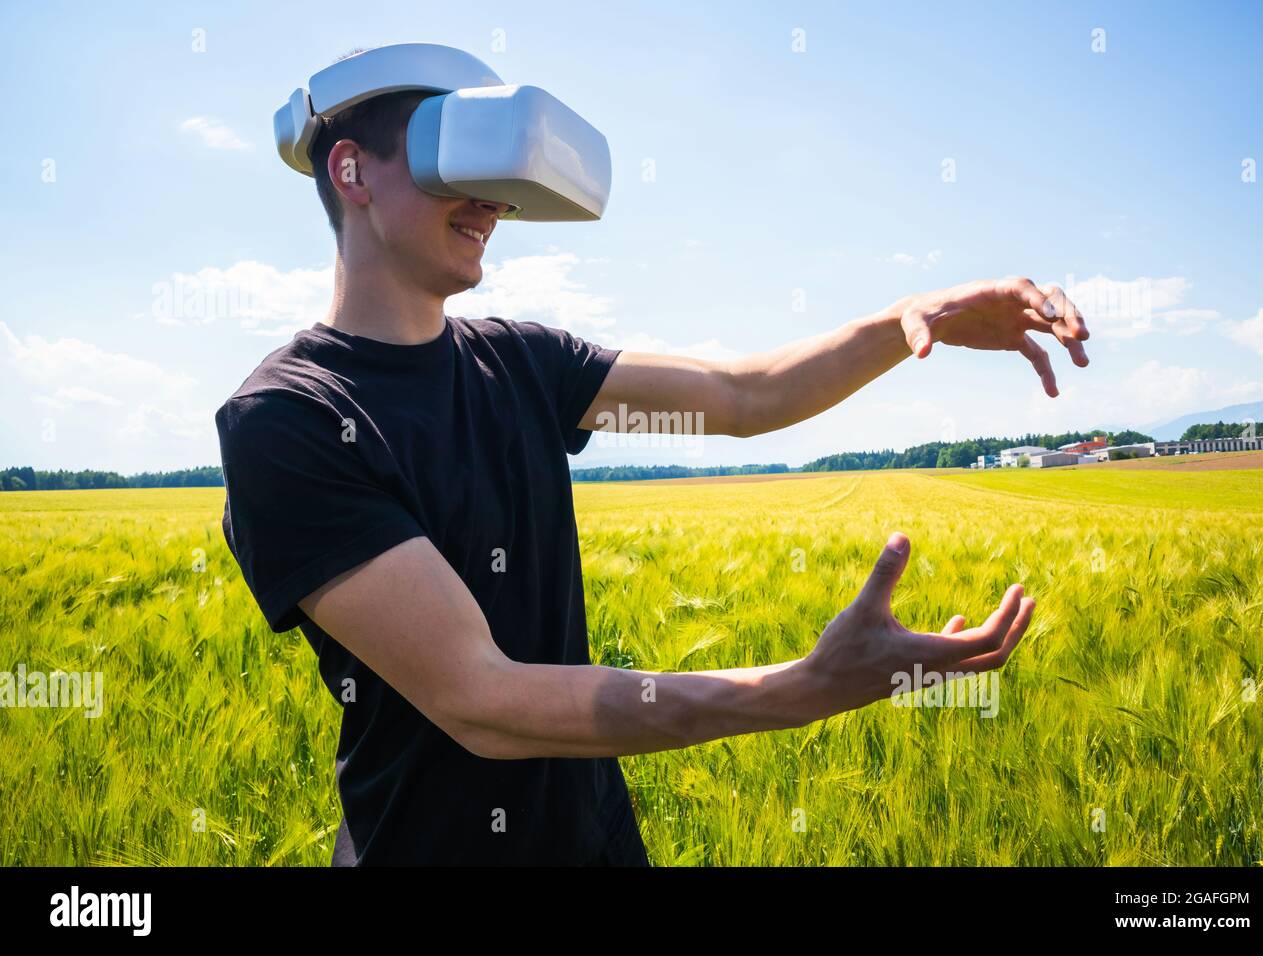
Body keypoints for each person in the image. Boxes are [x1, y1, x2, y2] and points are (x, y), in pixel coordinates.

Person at [215, 73, 1090, 867]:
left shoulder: (522, 363)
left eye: (499, 176)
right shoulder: (289, 420)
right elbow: (482, 698)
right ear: (352, 172)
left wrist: (908, 315)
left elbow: (746, 397)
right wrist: (802, 690)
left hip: (594, 841)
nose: (490, 204)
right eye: (451, 163)